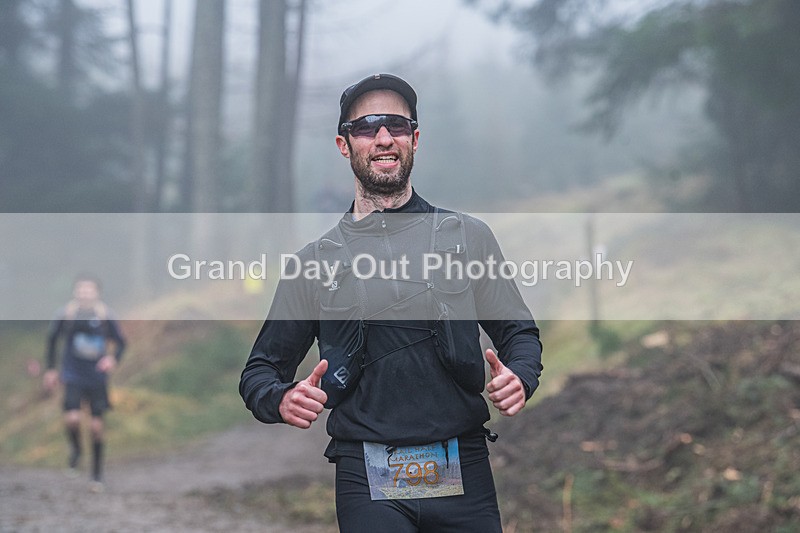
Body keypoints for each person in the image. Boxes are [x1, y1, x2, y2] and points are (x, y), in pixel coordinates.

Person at [240, 73, 543, 532]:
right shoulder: (314, 264)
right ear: (345, 145)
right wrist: (281, 398)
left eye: (396, 125)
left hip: (464, 471)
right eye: (365, 127)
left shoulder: (468, 238)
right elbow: (259, 371)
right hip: (366, 478)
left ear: (414, 139)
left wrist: (520, 377)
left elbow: (519, 333)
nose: (383, 138)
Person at [44, 274, 125, 490]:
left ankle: (97, 476)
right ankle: (76, 450)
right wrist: (51, 369)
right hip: (72, 375)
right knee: (72, 419)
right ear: (75, 292)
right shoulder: (66, 314)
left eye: (89, 290)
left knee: (97, 427)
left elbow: (121, 343)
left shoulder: (105, 315)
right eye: (81, 289)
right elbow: (52, 341)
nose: (84, 293)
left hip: (97, 378)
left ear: (96, 293)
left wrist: (112, 359)